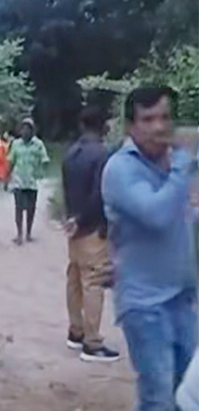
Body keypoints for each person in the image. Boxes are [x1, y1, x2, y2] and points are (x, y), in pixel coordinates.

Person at [102, 87, 197, 411]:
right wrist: (184, 163)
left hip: (182, 299)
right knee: (160, 404)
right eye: (148, 119)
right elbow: (159, 216)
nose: (160, 127)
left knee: (182, 398)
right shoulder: (120, 170)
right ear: (129, 127)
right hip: (143, 305)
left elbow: (184, 225)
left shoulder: (173, 165)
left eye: (165, 117)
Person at [61, 106, 120, 363]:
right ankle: (92, 342)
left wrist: (72, 219)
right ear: (103, 127)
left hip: (74, 226)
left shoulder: (70, 153)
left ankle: (76, 331)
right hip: (93, 226)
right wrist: (89, 221)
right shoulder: (102, 154)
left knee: (74, 276)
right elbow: (100, 193)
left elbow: (67, 189)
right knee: (93, 281)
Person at [6, 118, 50, 244]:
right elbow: (11, 161)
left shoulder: (38, 144)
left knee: (31, 209)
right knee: (18, 208)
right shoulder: (16, 144)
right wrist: (6, 179)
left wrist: (40, 172)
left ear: (32, 130)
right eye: (23, 128)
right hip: (19, 181)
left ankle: (28, 233)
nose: (25, 131)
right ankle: (19, 234)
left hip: (32, 182)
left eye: (28, 128)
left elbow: (45, 159)